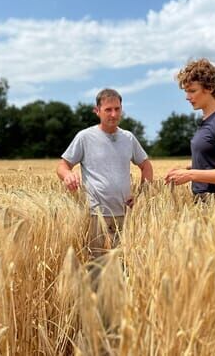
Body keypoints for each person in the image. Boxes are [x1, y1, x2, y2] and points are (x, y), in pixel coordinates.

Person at [57, 88, 153, 260]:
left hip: (125, 215)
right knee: (96, 266)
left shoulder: (128, 138)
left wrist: (142, 195)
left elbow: (146, 166)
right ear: (97, 111)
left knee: (124, 265)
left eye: (117, 109)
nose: (113, 114)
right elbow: (63, 165)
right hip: (96, 215)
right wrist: (67, 175)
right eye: (108, 109)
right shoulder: (85, 137)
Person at [165, 58, 215, 201]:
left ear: (209, 88)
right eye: (186, 91)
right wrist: (186, 170)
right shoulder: (207, 120)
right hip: (205, 203)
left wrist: (191, 175)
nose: (187, 97)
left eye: (192, 91)